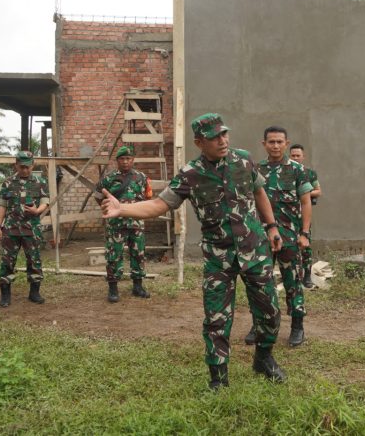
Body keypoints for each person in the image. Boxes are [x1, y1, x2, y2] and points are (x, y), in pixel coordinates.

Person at [100, 113, 287, 390]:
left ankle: (264, 358)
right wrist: (122, 209)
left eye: (224, 134)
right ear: (200, 142)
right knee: (216, 319)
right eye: (214, 138)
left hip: (254, 250)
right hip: (218, 259)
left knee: (270, 311)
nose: (223, 141)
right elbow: (159, 205)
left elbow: (259, 192)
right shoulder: (191, 174)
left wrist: (271, 226)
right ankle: (218, 378)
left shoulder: (244, 160)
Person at [245, 127, 312, 347]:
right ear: (263, 143)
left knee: (293, 282)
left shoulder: (297, 170)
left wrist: (304, 233)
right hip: (262, 237)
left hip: (290, 237)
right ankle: (259, 325)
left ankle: (297, 327)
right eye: (271, 142)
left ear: (286, 143)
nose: (275, 146)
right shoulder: (256, 169)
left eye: (279, 142)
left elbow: (305, 202)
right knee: (260, 284)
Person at [94, 145, 153, 303]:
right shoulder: (109, 178)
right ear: (117, 161)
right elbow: (98, 194)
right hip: (116, 223)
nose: (125, 162)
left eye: (128, 159)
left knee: (138, 254)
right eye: (122, 159)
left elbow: (148, 196)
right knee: (114, 255)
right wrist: (106, 206)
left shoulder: (141, 177)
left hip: (136, 222)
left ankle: (138, 286)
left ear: (133, 160)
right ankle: (113, 288)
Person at [0, 151, 49, 307]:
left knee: (34, 260)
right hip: (11, 229)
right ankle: (5, 294)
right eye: (22, 166)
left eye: (28, 167)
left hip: (32, 229)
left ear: (33, 165)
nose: (25, 170)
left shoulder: (40, 182)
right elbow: (2, 205)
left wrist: (37, 211)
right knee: (7, 261)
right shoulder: (8, 183)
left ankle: (34, 292)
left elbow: (45, 201)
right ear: (16, 165)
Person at [289, 144, 322, 288]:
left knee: (306, 247)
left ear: (303, 157)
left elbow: (318, 191)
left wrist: (302, 193)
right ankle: (291, 276)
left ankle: (307, 276)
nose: (295, 158)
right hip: (286, 216)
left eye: (298, 155)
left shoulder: (310, 173)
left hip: (303, 217)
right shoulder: (284, 171)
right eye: (293, 155)